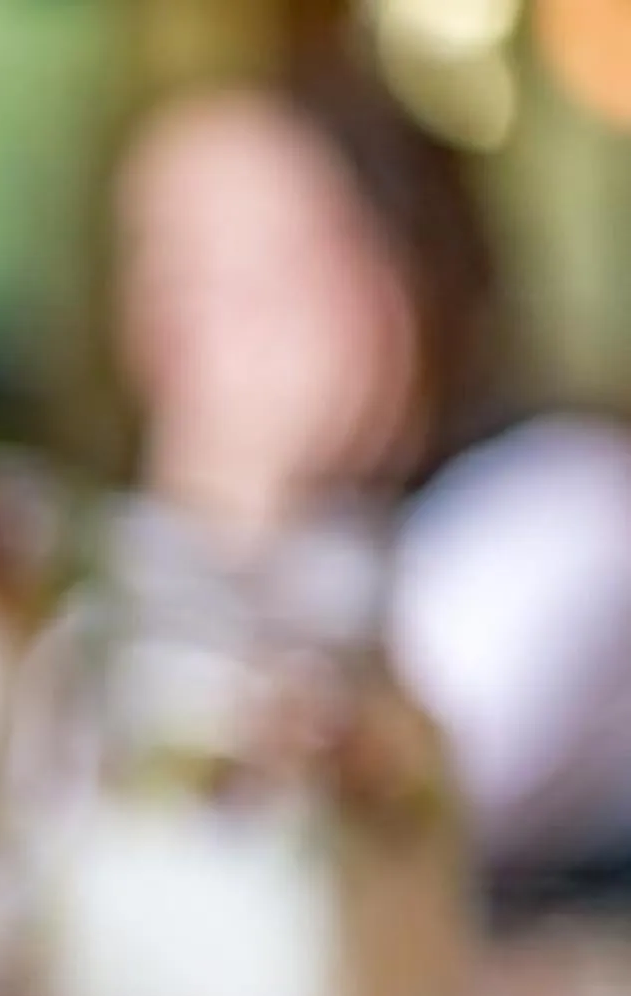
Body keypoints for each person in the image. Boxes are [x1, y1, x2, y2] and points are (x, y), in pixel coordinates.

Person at [115, 58, 631, 881]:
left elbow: (371, 817)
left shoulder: (573, 507)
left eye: (248, 266)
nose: (186, 322)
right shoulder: (268, 530)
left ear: (405, 274)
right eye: (164, 263)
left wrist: (225, 520)